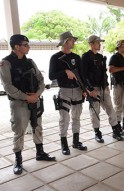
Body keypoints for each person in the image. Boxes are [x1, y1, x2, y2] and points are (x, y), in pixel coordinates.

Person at [0, 34, 55, 175]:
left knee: (38, 127)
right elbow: (8, 87)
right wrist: (26, 97)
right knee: (19, 131)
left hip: (35, 100)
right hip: (19, 103)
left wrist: (36, 95)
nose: (28, 47)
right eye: (26, 44)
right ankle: (18, 160)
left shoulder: (30, 62)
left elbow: (41, 80)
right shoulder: (6, 63)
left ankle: (40, 152)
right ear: (17, 46)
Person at [49, 31, 87, 155]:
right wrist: (65, 72)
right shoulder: (55, 58)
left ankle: (76, 141)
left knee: (76, 117)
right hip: (64, 90)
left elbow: (82, 75)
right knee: (64, 119)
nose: (73, 42)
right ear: (65, 42)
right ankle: (64, 144)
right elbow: (51, 76)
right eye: (71, 40)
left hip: (77, 90)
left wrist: (84, 89)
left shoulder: (77, 57)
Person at [81, 35, 123, 142]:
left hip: (103, 87)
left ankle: (115, 130)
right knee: (95, 111)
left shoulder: (100, 57)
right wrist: (89, 89)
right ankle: (97, 133)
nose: (99, 44)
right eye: (97, 42)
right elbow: (83, 75)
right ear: (91, 44)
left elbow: (103, 73)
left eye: (100, 42)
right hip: (93, 89)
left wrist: (106, 85)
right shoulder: (85, 57)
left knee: (110, 108)